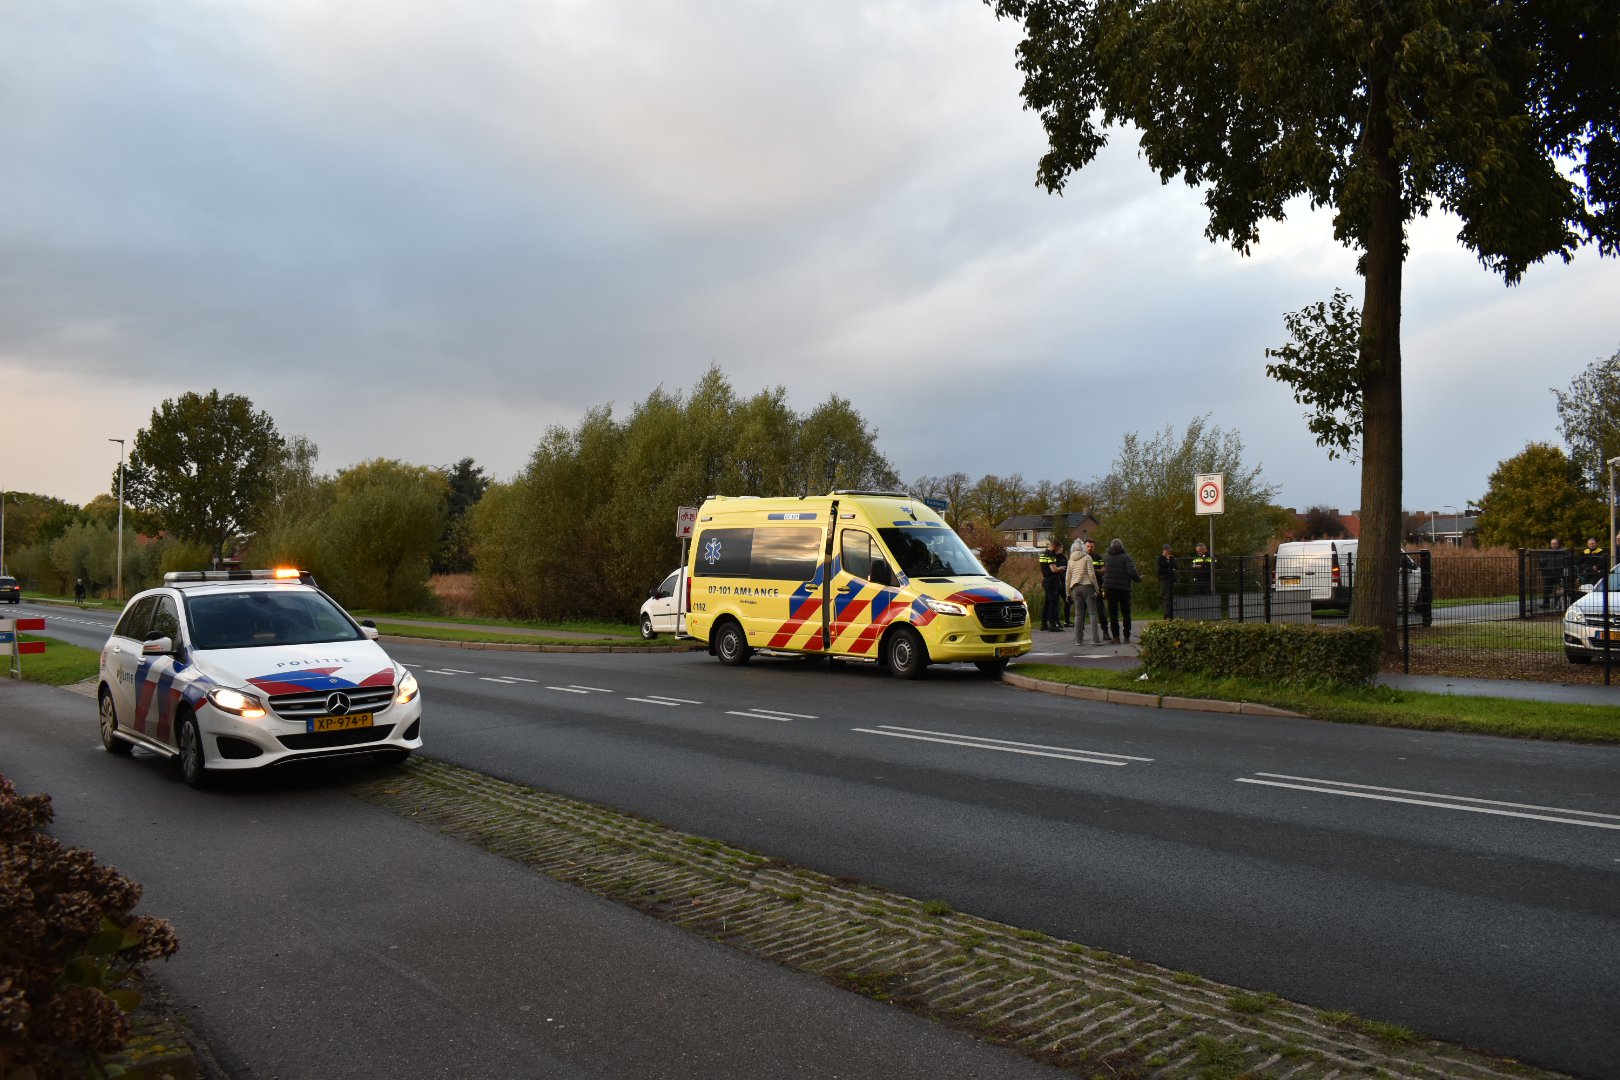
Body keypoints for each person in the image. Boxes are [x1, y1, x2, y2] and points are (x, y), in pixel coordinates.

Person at [1101, 538, 1142, 643]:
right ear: (1122, 546)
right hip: (1124, 589)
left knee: (1113, 614)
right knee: (1126, 613)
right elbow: (1132, 572)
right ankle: (1127, 637)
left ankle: (1116, 637)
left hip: (1110, 589)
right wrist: (1139, 579)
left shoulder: (1106, 557)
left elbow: (1104, 571)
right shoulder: (1126, 557)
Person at [1066, 538, 1102, 645]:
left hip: (1075, 588)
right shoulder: (1087, 557)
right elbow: (1092, 574)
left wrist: (1068, 592)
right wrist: (1097, 588)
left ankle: (1078, 640)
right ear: (1082, 548)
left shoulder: (1070, 560)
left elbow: (1068, 578)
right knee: (1092, 613)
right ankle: (1095, 639)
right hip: (1087, 587)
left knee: (1078, 615)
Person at [1038, 538, 1066, 632]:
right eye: (1058, 548)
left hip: (1046, 580)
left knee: (1047, 603)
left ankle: (1044, 624)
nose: (1058, 550)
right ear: (1054, 546)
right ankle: (1052, 624)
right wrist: (1061, 568)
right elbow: (1054, 569)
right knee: (1053, 603)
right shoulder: (1051, 555)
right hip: (1052, 581)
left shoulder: (1043, 554)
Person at [1540, 539, 1571, 609]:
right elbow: (1542, 563)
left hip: (1560, 574)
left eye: (1555, 543)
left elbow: (1568, 561)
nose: (1554, 545)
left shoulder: (1563, 552)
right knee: (1547, 589)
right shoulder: (1547, 553)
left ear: (1558, 544)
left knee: (1563, 589)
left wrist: (1565, 572)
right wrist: (1544, 572)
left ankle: (1565, 603)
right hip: (1549, 574)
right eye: (1552, 544)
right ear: (1550, 544)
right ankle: (1546, 603)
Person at [1156, 544, 1178, 619]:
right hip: (1165, 580)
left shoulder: (1171, 558)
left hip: (1171, 580)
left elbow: (1176, 567)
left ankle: (1172, 614)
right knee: (1167, 597)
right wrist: (1168, 563)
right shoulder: (1160, 559)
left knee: (1172, 597)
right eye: (1168, 551)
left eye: (1170, 551)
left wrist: (1171, 560)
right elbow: (1160, 570)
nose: (1169, 552)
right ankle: (1167, 614)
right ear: (1164, 550)